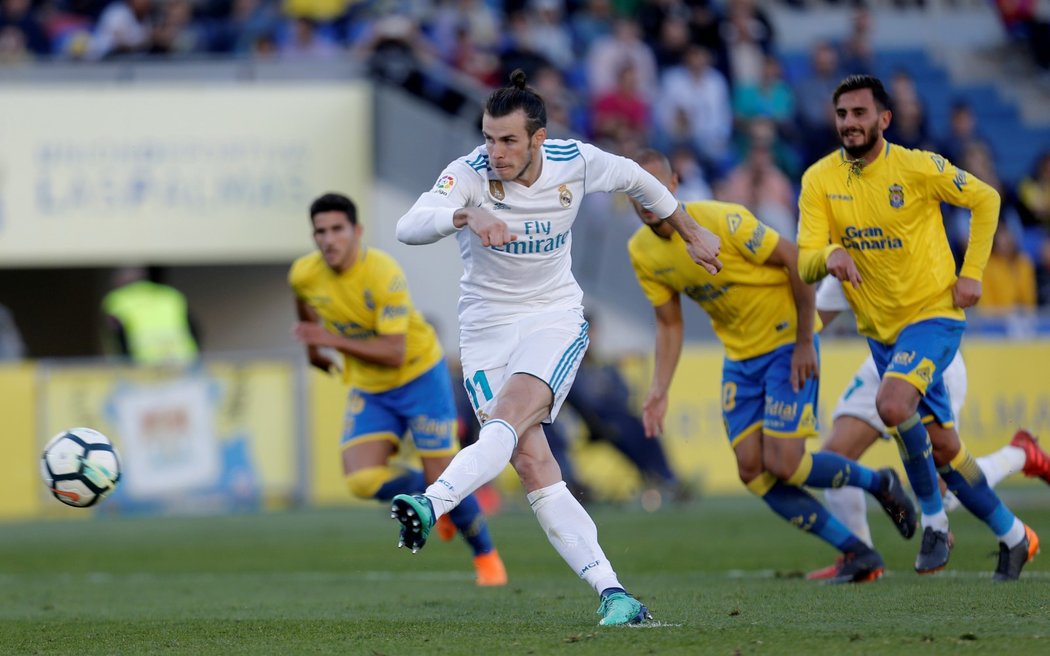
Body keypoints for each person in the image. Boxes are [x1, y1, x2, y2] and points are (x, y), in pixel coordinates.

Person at [391, 69, 722, 626]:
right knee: (529, 457)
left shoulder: (575, 160)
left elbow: (640, 179)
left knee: (511, 416)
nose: (494, 151)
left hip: (552, 319)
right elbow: (408, 225)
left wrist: (690, 232)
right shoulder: (470, 173)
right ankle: (614, 594)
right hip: (486, 331)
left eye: (508, 140)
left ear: (538, 139)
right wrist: (464, 213)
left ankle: (431, 502)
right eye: (489, 137)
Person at [627, 149, 916, 585]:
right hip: (741, 359)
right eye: (635, 191)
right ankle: (858, 552)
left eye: (652, 188)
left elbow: (797, 265)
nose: (645, 201)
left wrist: (805, 341)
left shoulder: (722, 219)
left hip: (786, 344)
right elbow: (669, 325)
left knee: (785, 463)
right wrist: (659, 389)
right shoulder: (642, 252)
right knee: (751, 471)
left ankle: (880, 483)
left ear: (674, 184)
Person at [796, 74, 1039, 580]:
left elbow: (987, 199)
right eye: (842, 115)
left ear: (884, 119)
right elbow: (804, 262)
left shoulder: (917, 166)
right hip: (881, 337)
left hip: (933, 317)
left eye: (860, 114)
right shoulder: (819, 180)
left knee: (891, 405)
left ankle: (932, 523)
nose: (850, 124)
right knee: (945, 450)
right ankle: (1015, 537)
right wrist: (829, 254)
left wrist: (972, 273)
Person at [288, 192, 507, 587]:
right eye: (320, 231)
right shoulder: (304, 273)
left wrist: (328, 340)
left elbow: (393, 352)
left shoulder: (382, 274)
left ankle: (487, 558)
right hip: (372, 389)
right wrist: (313, 352)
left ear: (356, 231)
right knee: (361, 481)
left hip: (419, 377)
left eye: (337, 229)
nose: (328, 239)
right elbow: (303, 303)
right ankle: (430, 500)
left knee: (445, 474)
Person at [807, 276, 1050, 579]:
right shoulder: (847, 248)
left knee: (944, 488)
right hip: (881, 365)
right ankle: (862, 555)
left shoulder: (903, 237)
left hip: (932, 362)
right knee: (835, 458)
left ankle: (1019, 455)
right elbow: (811, 321)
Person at [102, 266, 200, 366]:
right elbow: (193, 327)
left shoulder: (117, 299)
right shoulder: (170, 294)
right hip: (182, 358)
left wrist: (125, 362)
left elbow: (118, 335)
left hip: (143, 361)